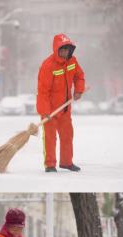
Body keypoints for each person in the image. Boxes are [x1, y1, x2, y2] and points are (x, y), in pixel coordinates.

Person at [37, 33, 86, 173]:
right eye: (63, 49)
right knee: (50, 138)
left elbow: (79, 76)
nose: (65, 52)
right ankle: (50, 165)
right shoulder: (48, 66)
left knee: (67, 135)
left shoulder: (72, 62)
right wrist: (45, 111)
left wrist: (79, 90)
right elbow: (42, 91)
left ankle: (66, 162)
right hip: (50, 111)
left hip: (65, 109)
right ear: (56, 49)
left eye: (68, 49)